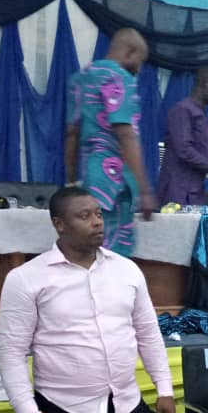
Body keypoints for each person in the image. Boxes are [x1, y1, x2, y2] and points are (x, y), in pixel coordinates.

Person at [0, 186, 178, 413]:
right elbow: (11, 353)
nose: (97, 222)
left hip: (128, 407)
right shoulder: (25, 278)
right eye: (84, 216)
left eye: (99, 214)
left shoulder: (127, 270)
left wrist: (165, 389)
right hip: (64, 412)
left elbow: (148, 334)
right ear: (59, 224)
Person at [64, 28, 155, 256]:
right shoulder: (119, 78)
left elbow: (72, 134)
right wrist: (145, 190)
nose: (139, 69)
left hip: (89, 180)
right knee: (113, 255)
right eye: (140, 61)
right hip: (115, 184)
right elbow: (126, 135)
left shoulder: (80, 78)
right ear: (130, 52)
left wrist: (72, 183)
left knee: (89, 252)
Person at [157, 67, 208, 206]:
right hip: (177, 191)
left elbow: (199, 156)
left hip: (196, 192)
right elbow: (184, 150)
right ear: (201, 84)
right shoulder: (183, 110)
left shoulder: (203, 115)